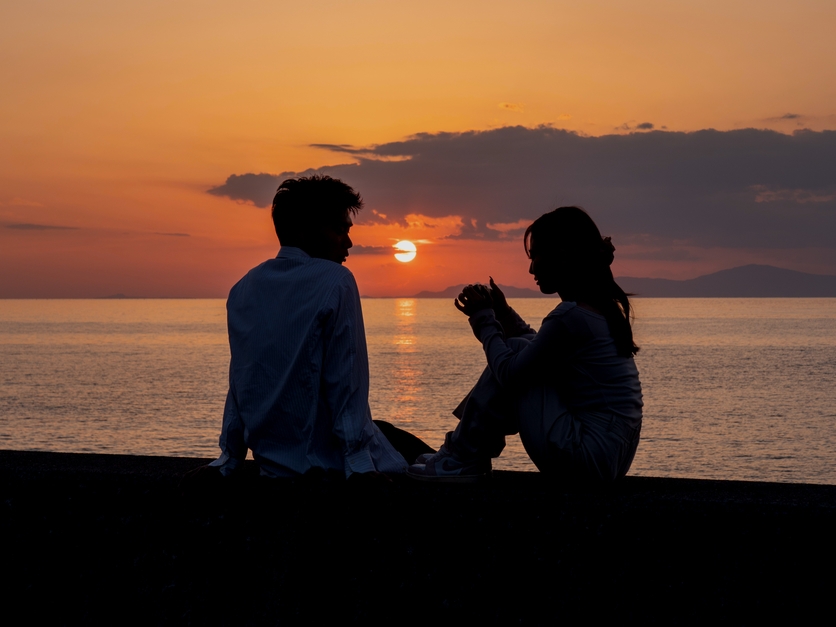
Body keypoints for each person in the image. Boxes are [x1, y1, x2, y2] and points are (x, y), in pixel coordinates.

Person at [209, 174, 432, 479]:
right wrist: (359, 466)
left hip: (274, 465)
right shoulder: (335, 280)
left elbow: (242, 381)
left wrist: (229, 458)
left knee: (389, 431)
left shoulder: (242, 289)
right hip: (325, 463)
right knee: (448, 464)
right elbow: (346, 383)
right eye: (340, 230)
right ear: (304, 231)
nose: (348, 243)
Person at [408, 206, 643, 483]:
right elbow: (538, 349)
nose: (531, 268)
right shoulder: (596, 309)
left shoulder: (571, 316)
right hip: (608, 458)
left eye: (535, 257)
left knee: (516, 352)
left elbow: (511, 373)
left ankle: (463, 455)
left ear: (561, 255)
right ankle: (465, 453)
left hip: (586, 458)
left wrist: (484, 320)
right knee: (522, 345)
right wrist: (503, 313)